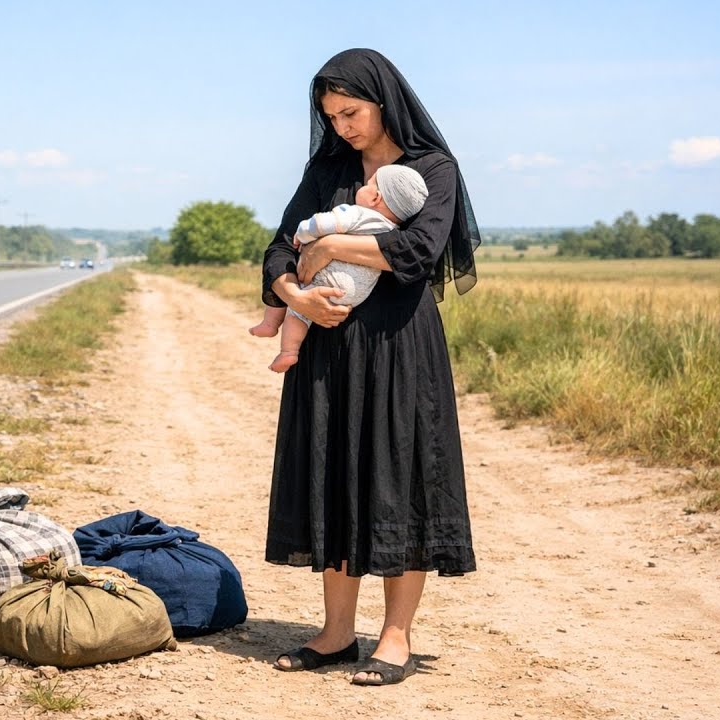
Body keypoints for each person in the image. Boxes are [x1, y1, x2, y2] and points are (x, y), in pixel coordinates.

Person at [261, 48, 480, 686]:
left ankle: (395, 637)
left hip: (400, 348)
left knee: (400, 480)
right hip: (327, 352)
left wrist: (328, 243)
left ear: (383, 101)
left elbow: (417, 249)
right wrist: (294, 295)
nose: (342, 128)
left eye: (350, 112)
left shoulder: (433, 168)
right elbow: (280, 246)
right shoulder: (326, 167)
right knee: (333, 475)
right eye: (331, 117)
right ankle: (334, 634)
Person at [249, 164, 428, 372]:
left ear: (375, 198)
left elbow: (322, 223)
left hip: (330, 278)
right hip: (356, 294)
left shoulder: (357, 214)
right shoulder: (391, 229)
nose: (363, 185)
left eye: (369, 183)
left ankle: (280, 339)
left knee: (295, 300)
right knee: (301, 306)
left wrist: (303, 233)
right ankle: (284, 345)